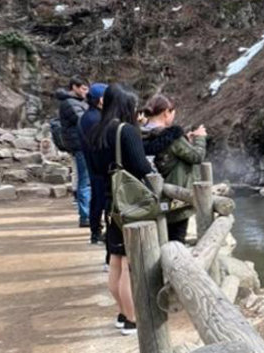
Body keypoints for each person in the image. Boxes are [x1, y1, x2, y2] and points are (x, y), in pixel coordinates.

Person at [86, 83, 149, 334]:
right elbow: (142, 166)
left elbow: (97, 169)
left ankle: (122, 314)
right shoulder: (125, 131)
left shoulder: (95, 132)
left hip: (110, 201)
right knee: (128, 264)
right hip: (130, 203)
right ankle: (133, 319)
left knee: (115, 260)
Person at [140, 94, 207, 244]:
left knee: (158, 242)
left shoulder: (140, 134)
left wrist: (186, 141)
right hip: (176, 201)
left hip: (149, 198)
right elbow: (197, 157)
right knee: (176, 242)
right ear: (166, 113)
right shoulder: (173, 137)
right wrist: (200, 138)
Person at [57, 76, 90, 228]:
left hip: (82, 144)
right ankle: (85, 215)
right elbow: (83, 120)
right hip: (79, 145)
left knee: (84, 179)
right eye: (83, 88)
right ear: (74, 87)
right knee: (84, 180)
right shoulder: (70, 103)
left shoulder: (79, 102)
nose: (86, 92)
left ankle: (87, 214)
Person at [78, 83, 107, 244]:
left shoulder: (90, 116)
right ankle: (96, 231)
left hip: (93, 163)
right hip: (98, 165)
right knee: (99, 198)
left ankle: (96, 230)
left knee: (97, 197)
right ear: (101, 100)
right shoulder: (94, 119)